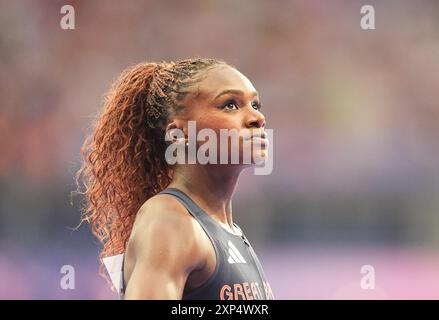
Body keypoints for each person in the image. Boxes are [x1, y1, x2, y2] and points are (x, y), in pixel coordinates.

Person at [76, 58, 274, 300]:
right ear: (178, 133)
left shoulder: (228, 231)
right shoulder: (169, 221)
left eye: (255, 104)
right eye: (230, 105)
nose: (257, 118)